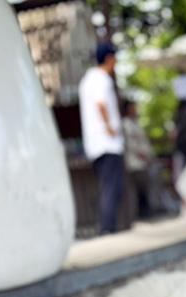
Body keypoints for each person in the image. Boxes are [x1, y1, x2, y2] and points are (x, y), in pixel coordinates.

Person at [80, 41, 124, 234]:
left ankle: (108, 225)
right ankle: (107, 228)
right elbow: (100, 104)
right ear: (109, 58)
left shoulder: (88, 79)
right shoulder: (101, 79)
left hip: (96, 143)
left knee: (110, 186)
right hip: (107, 142)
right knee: (111, 187)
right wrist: (110, 127)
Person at [121, 99, 176, 218]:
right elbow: (130, 144)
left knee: (148, 186)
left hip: (145, 162)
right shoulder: (125, 124)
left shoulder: (136, 123)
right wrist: (143, 155)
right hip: (135, 162)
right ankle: (142, 212)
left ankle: (151, 209)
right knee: (139, 188)